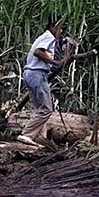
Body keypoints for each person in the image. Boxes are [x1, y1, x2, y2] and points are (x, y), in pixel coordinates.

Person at [17, 18, 72, 147]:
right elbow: (38, 52)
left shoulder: (43, 37)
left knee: (39, 109)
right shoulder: (49, 37)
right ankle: (27, 134)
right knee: (46, 109)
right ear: (53, 27)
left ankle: (37, 138)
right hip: (37, 74)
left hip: (29, 74)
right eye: (60, 28)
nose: (61, 31)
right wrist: (55, 62)